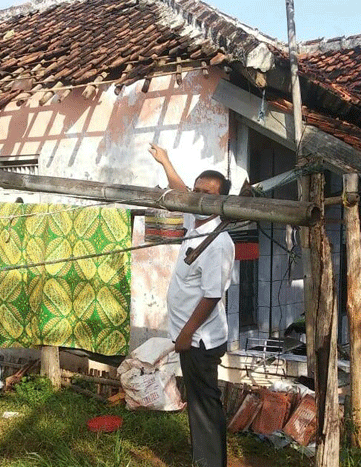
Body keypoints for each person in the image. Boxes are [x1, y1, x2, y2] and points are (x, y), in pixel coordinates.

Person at [149, 142, 235, 467]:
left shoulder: (219, 242)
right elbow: (181, 190)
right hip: (191, 336)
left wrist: (186, 334)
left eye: (207, 194)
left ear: (220, 200)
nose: (199, 197)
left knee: (204, 404)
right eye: (198, 191)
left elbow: (212, 295)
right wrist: (165, 161)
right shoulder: (195, 222)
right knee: (199, 401)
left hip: (199, 339)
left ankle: (210, 463)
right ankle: (204, 458)